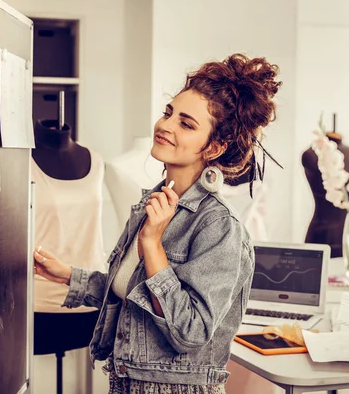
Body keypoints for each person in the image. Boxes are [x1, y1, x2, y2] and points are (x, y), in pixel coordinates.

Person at [33, 53, 282, 393]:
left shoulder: (219, 227)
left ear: (214, 147)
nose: (166, 126)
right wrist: (68, 276)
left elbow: (190, 332)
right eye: (169, 113)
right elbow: (132, 296)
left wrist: (152, 245)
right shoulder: (155, 202)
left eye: (187, 124)